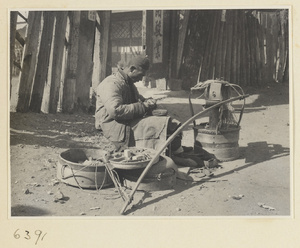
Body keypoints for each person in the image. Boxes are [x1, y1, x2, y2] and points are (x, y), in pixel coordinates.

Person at [95, 54, 196, 162]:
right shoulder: (112, 83)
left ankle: (175, 151)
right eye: (140, 75)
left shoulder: (128, 82)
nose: (140, 79)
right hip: (114, 125)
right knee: (162, 125)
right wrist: (143, 106)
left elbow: (138, 99)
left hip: (125, 120)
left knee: (169, 122)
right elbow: (115, 111)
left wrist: (147, 101)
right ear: (132, 69)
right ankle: (174, 155)